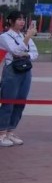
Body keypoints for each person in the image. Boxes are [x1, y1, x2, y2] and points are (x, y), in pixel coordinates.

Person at [0, 11, 38, 147]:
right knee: (8, 102)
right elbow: (15, 51)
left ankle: (10, 131)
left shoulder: (24, 35)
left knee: (20, 102)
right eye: (18, 19)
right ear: (11, 21)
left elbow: (35, 53)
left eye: (23, 19)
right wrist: (27, 39)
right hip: (12, 71)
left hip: (26, 70)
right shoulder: (5, 36)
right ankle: (1, 132)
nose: (22, 22)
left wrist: (25, 54)